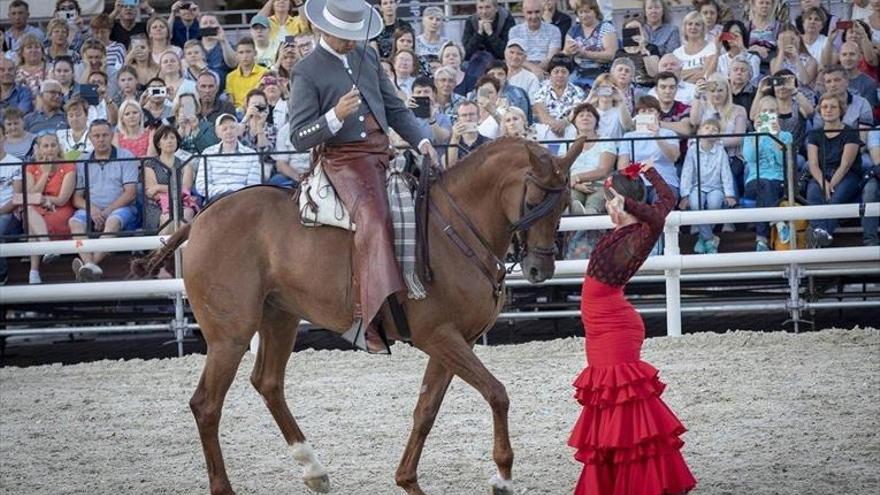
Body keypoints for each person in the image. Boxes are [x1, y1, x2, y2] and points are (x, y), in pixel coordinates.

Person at [290, 0, 436, 352]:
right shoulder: (306, 70)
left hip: (383, 152)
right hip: (344, 160)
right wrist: (334, 117)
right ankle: (369, 317)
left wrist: (423, 140)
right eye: (345, 37)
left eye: (354, 36)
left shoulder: (366, 57)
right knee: (373, 218)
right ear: (325, 30)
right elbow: (298, 137)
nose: (351, 42)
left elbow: (396, 109)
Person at [569, 161, 696, 495]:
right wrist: (651, 171)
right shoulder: (626, 231)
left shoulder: (643, 231)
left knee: (628, 404)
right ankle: (612, 483)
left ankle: (655, 482)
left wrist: (630, 204)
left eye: (610, 200)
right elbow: (666, 197)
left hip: (615, 325)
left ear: (621, 202)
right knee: (609, 405)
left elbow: (661, 211)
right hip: (599, 326)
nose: (608, 206)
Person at [68, 119, 139, 282]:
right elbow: (76, 197)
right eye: (96, 136)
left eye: (105, 135)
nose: (101, 139)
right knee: (74, 223)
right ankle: (90, 266)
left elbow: (130, 193)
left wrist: (106, 212)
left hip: (122, 208)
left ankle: (88, 266)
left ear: (112, 136)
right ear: (90, 138)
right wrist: (92, 210)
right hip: (92, 209)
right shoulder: (82, 160)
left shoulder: (125, 156)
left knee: (112, 221)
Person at [805, 95, 863, 248]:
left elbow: (845, 165)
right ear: (820, 111)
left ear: (840, 110)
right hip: (821, 175)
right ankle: (822, 238)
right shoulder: (814, 134)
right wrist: (824, 183)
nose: (828, 110)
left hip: (846, 175)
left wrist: (831, 185)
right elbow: (813, 164)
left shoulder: (850, 132)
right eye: (825, 107)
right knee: (813, 194)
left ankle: (818, 242)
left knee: (835, 199)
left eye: (833, 107)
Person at [24, 132, 76, 284]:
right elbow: (31, 194)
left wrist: (44, 199)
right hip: (37, 210)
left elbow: (62, 199)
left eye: (53, 145)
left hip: (59, 211)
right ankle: (46, 248)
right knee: (29, 211)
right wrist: (45, 173)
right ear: (39, 149)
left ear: (58, 147)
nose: (50, 149)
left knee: (32, 223)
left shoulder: (68, 166)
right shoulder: (31, 167)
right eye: (45, 146)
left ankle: (33, 271)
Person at [679, 119, 737, 254]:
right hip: (697, 187)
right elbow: (687, 172)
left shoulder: (721, 151)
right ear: (699, 131)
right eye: (707, 127)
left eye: (714, 129)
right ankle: (710, 239)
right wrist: (685, 195)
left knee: (714, 204)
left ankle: (702, 237)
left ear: (718, 135)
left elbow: (726, 172)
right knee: (695, 203)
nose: (710, 130)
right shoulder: (692, 150)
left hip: (715, 187)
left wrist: (729, 193)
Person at [743, 95, 792, 251]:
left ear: (777, 114)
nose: (768, 113)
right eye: (764, 111)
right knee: (765, 184)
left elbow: (782, 162)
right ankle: (778, 222)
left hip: (778, 180)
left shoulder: (785, 136)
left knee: (766, 190)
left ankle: (761, 241)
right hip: (754, 180)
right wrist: (757, 136)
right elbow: (751, 158)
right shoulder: (750, 136)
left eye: (771, 111)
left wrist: (776, 137)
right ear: (758, 114)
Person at [618, 96, 681, 201]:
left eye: (651, 110)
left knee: (661, 203)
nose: (647, 114)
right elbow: (622, 166)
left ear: (658, 115)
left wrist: (657, 136)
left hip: (665, 181)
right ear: (637, 115)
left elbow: (674, 157)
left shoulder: (669, 133)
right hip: (637, 183)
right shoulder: (629, 136)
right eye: (643, 111)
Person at [143, 125, 197, 234]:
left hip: (183, 203)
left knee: (185, 216)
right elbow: (151, 192)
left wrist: (159, 187)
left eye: (172, 138)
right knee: (168, 218)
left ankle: (183, 251)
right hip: (157, 207)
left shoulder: (186, 164)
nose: (170, 141)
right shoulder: (150, 164)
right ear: (158, 144)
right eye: (165, 138)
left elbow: (185, 189)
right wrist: (175, 188)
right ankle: (161, 251)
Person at [197, 114, 262, 201]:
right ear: (217, 133)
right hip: (216, 200)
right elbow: (201, 185)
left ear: (238, 130)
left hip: (243, 200)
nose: (229, 132)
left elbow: (254, 185)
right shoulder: (208, 153)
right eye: (224, 129)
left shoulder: (251, 154)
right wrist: (225, 192)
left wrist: (234, 194)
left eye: (232, 127)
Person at [562, 0, 616, 89]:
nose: (584, 15)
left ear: (595, 11)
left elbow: (610, 55)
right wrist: (567, 52)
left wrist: (585, 54)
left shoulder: (606, 27)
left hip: (601, 73)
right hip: (578, 73)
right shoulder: (573, 30)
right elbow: (564, 55)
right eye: (581, 12)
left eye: (587, 11)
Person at [533, 55, 585, 138]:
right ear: (550, 74)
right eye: (556, 71)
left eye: (564, 72)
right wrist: (556, 126)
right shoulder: (541, 90)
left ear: (569, 74)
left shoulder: (577, 91)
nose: (560, 75)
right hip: (547, 128)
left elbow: (577, 111)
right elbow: (542, 114)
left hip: (569, 127)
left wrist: (564, 124)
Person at [509, 0, 562, 77]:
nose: (534, 16)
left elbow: (552, 57)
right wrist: (534, 69)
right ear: (523, 12)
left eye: (537, 12)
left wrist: (537, 70)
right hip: (522, 70)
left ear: (543, 11)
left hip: (547, 70)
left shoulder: (554, 30)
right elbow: (514, 57)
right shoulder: (515, 31)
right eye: (529, 12)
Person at [614, 17, 661, 93]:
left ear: (642, 31)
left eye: (636, 29)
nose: (633, 32)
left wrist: (643, 48)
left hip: (647, 88)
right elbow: (615, 76)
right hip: (626, 89)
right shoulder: (620, 52)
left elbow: (654, 73)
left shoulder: (651, 48)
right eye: (629, 29)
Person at [226, 37, 269, 111]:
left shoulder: (265, 73)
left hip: (258, 109)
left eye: (248, 52)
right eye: (241, 52)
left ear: (255, 53)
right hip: (237, 113)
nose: (245, 56)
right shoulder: (230, 76)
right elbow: (231, 102)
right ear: (236, 55)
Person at [198, 15, 237, 93]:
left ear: (218, 26)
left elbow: (233, 64)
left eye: (212, 22)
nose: (208, 25)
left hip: (223, 92)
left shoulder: (226, 45)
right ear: (199, 27)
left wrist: (223, 41)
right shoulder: (195, 46)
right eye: (205, 23)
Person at [446, 100, 490, 168]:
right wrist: (455, 138)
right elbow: (450, 166)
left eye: (471, 114)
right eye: (464, 115)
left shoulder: (488, 143)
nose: (468, 119)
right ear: (458, 119)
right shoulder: (451, 142)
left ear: (479, 117)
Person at [15, 33, 49, 98]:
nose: (33, 50)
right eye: (29, 47)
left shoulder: (51, 69)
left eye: (37, 47)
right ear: (22, 53)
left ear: (42, 52)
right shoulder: (15, 71)